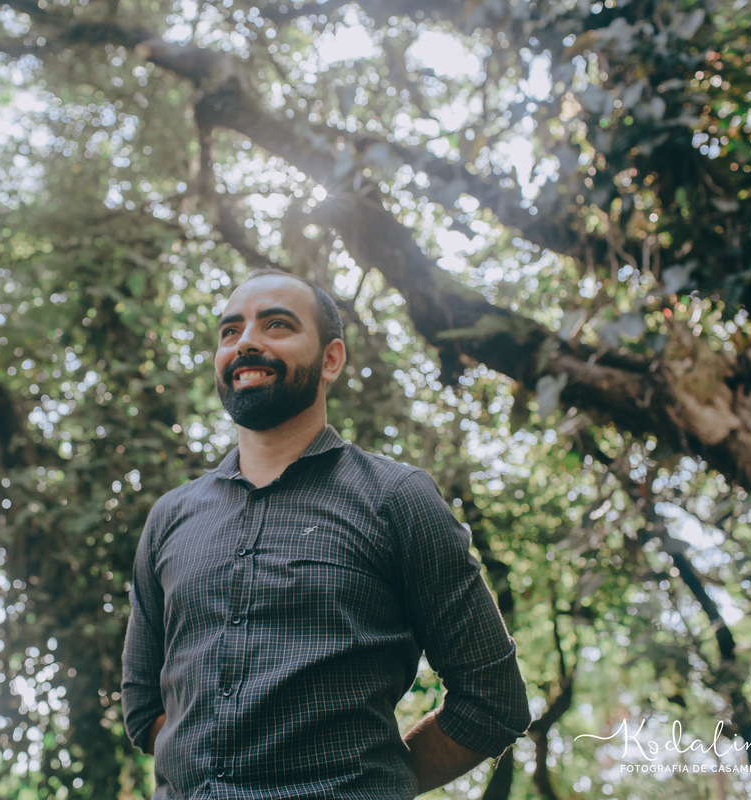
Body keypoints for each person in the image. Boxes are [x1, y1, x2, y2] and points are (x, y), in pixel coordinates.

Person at [121, 270, 531, 799]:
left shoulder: (396, 498)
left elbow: (493, 701)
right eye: (230, 331)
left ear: (331, 359)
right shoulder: (170, 517)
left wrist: (373, 785)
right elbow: (143, 707)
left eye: (276, 325)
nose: (245, 342)